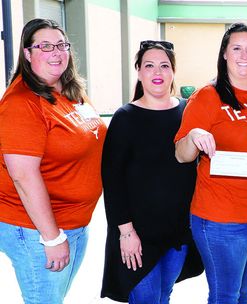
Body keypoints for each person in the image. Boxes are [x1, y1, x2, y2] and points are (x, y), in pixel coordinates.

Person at [174, 22, 247, 304]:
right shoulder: (207, 96)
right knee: (225, 295)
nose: (244, 55)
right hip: (219, 219)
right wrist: (195, 134)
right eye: (236, 48)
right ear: (225, 54)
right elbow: (182, 155)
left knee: (243, 292)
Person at [0, 18, 106, 304]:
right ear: (27, 54)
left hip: (73, 223)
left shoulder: (70, 91)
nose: (56, 52)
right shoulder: (22, 103)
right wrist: (52, 238)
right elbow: (23, 175)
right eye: (44, 46)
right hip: (37, 229)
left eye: (61, 45)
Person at [100, 40, 203, 303]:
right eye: (149, 65)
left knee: (163, 295)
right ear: (138, 71)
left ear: (173, 72)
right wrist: (126, 233)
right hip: (137, 234)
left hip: (177, 232)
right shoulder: (125, 117)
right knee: (146, 298)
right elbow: (112, 182)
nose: (157, 72)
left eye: (164, 66)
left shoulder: (187, 110)